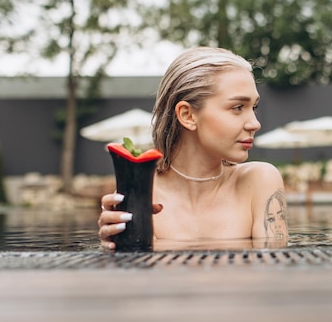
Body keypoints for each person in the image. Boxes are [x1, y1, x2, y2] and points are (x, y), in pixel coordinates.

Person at [98, 46, 288, 250]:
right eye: (237, 107)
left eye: (254, 107)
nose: (255, 123)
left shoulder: (259, 181)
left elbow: (273, 274)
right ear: (187, 115)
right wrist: (113, 249)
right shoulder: (143, 195)